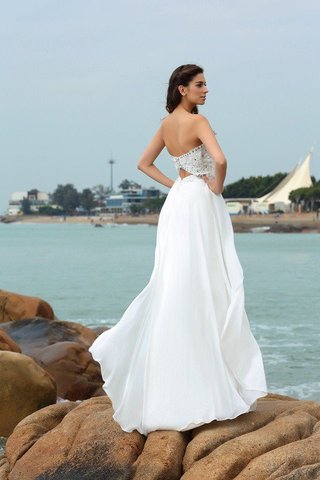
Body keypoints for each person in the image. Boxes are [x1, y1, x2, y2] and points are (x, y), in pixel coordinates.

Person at [89, 64, 267, 435]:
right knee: (208, 281)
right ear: (182, 89)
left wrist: (176, 183)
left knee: (175, 283)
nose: (206, 90)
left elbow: (143, 163)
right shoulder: (198, 122)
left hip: (178, 202)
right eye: (200, 84)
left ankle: (170, 387)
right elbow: (219, 160)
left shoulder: (167, 123)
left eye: (205, 84)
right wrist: (215, 187)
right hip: (200, 201)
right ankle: (208, 384)